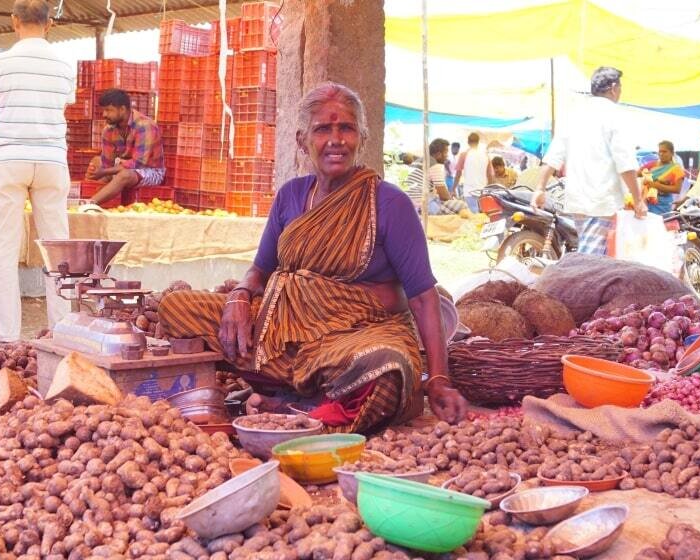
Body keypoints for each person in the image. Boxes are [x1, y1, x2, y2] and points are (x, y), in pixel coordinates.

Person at [158, 82, 469, 433]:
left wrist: (439, 379)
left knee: (387, 370)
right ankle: (301, 395)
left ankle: (296, 404)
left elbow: (424, 298)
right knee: (177, 307)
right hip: (282, 334)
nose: (336, 139)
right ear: (302, 140)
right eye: (323, 129)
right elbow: (260, 270)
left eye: (346, 128)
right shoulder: (290, 195)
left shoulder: (388, 203)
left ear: (361, 137)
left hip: (355, 337)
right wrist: (239, 297)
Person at [0, 0, 74, 344]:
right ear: (49, 24)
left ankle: (8, 338)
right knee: (58, 252)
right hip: (51, 160)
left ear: (14, 21)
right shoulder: (65, 64)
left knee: (3, 251)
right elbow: (61, 105)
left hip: (9, 160)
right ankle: (61, 333)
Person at [531, 66, 646, 255]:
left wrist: (540, 188)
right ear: (613, 87)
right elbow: (624, 161)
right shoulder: (614, 115)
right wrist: (638, 199)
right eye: (621, 87)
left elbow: (553, 157)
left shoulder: (574, 114)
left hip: (578, 200)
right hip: (601, 200)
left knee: (594, 255)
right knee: (590, 262)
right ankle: (571, 284)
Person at [85, 89, 165, 205]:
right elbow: (107, 163)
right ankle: (82, 196)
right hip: (122, 167)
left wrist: (104, 172)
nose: (104, 114)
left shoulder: (144, 126)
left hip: (149, 171)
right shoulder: (108, 130)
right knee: (96, 162)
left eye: (108, 110)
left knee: (125, 175)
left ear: (122, 109)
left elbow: (138, 164)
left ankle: (89, 204)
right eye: (103, 110)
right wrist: (96, 172)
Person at [404, 138, 468, 215]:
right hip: (423, 204)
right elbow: (444, 196)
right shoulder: (434, 165)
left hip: (409, 202)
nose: (447, 156)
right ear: (438, 154)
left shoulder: (419, 161)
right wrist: (452, 199)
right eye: (446, 153)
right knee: (462, 205)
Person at [637, 140, 685, 215]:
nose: (661, 154)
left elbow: (677, 189)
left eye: (664, 151)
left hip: (663, 205)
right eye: (660, 151)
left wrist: (656, 185)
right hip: (647, 202)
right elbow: (636, 174)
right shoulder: (652, 165)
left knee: (660, 224)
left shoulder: (676, 169)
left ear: (672, 153)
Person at [452, 133, 492, 212]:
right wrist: (489, 190)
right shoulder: (486, 155)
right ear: (478, 142)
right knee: (483, 215)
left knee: (473, 217)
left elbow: (458, 173)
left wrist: (453, 189)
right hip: (483, 191)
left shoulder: (464, 155)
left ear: (468, 142)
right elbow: (490, 175)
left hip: (469, 191)